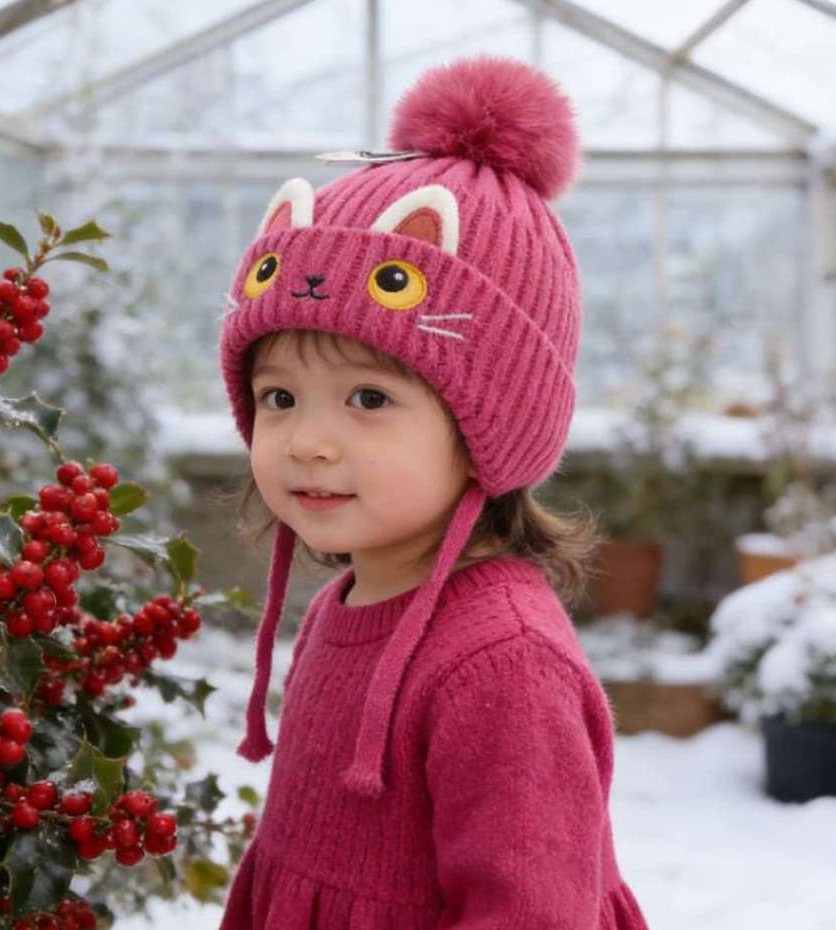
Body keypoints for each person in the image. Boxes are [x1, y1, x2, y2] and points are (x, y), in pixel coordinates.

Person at [217, 54, 650, 930]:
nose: (308, 440)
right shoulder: (349, 600)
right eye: (279, 397)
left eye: (369, 398)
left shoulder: (501, 662)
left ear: (492, 420)